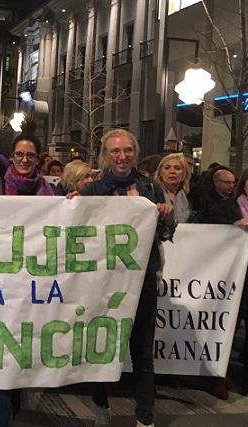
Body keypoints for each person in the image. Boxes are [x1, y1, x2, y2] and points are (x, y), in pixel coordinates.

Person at [78, 129, 175, 427]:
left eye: (127, 150)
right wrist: (70, 204)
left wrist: (166, 216)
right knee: (102, 346)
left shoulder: (151, 188)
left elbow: (167, 233)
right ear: (106, 155)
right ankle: (101, 407)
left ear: (136, 152)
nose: (122, 156)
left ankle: (145, 417)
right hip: (103, 280)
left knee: (142, 350)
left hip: (141, 278)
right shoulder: (93, 191)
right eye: (115, 151)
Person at [0, 134, 54, 427]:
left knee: (20, 353)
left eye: (30, 155)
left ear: (38, 158)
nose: (24, 160)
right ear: (11, 157)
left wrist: (75, 206)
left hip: (32, 285)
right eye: (19, 155)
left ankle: (13, 408)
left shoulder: (50, 193)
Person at [207, 165, 248, 402]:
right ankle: (218, 376)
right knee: (227, 329)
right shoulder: (228, 208)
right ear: (243, 184)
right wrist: (231, 229)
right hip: (233, 280)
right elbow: (208, 235)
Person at [154, 153, 192, 223]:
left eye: (177, 168)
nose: (172, 171)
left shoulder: (189, 196)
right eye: (167, 168)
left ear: (185, 173)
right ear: (160, 173)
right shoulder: (152, 193)